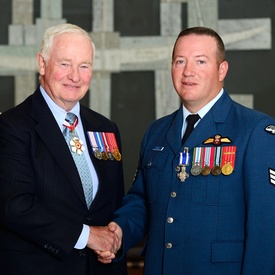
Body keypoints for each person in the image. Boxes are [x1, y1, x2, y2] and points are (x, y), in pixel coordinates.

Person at [99, 26, 275, 274]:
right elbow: (141, 199)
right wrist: (120, 231)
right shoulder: (156, 131)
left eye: (200, 61)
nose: (188, 71)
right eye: (180, 61)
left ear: (221, 70)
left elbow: (266, 228)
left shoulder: (255, 131)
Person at [0, 23, 126, 275]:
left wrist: (114, 236)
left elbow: (114, 203)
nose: (75, 76)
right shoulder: (11, 127)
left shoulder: (105, 128)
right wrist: (87, 236)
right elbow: (15, 206)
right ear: (42, 64)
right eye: (65, 64)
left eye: (84, 66)